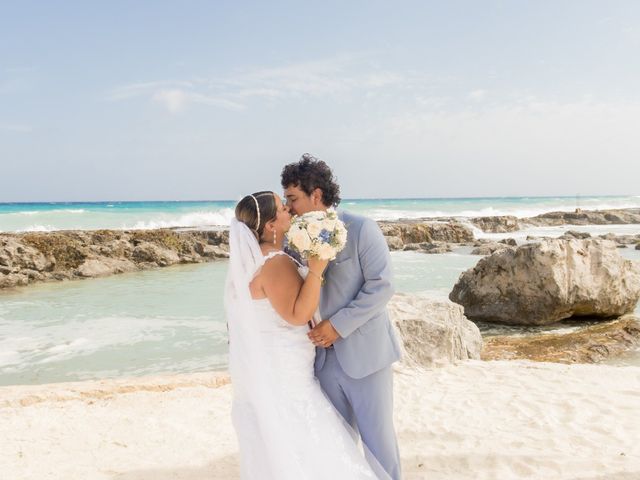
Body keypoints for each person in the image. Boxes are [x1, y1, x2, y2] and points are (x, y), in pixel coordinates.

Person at [225, 190, 390, 480]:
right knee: (308, 438)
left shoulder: (247, 265)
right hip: (288, 368)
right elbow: (298, 315)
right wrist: (317, 269)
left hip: (276, 361)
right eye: (282, 207)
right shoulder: (275, 263)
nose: (289, 209)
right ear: (270, 226)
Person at [281, 154, 402, 480]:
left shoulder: (361, 228)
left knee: (379, 446)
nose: (288, 207)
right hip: (320, 360)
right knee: (337, 446)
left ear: (316, 195)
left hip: (365, 356)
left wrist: (338, 325)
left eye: (293, 198)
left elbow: (382, 286)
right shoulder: (291, 241)